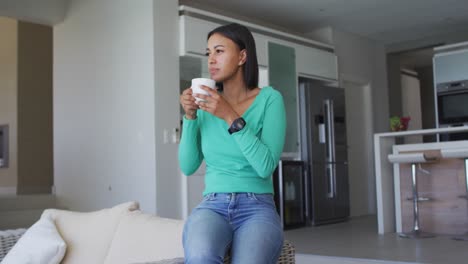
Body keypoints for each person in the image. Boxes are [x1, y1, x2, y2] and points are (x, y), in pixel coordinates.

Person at [178, 22, 286, 264]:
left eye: (219, 51)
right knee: (200, 258)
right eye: (209, 53)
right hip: (213, 205)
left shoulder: (270, 99)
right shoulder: (205, 104)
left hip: (257, 206)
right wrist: (190, 117)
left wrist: (230, 115)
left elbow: (265, 166)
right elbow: (188, 166)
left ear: (242, 56)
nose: (211, 60)